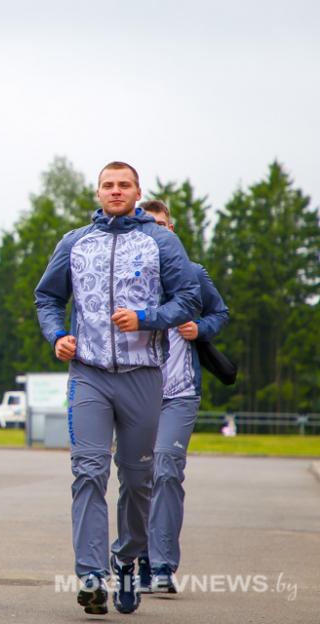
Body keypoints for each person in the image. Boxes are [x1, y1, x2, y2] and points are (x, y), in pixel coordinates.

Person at [34, 162, 201, 615]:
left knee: (137, 478)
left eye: (123, 185)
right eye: (108, 185)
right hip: (88, 373)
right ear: (98, 191)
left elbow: (188, 297)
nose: (115, 191)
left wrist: (146, 319)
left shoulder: (161, 241)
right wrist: (58, 337)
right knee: (88, 471)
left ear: (137, 191)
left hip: (143, 374)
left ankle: (126, 557)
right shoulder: (74, 242)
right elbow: (48, 297)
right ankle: (90, 573)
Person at [136, 200, 229, 594]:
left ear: (171, 229)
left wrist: (199, 328)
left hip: (180, 391)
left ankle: (161, 566)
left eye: (162, 225)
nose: (156, 231)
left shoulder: (192, 273)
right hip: (136, 391)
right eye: (149, 225)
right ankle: (135, 560)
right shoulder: (129, 275)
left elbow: (220, 312)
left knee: (167, 469)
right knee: (138, 478)